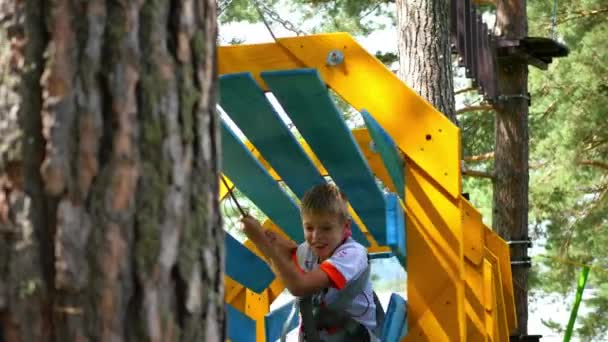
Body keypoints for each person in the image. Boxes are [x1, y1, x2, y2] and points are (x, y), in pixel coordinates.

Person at [241, 184, 380, 341]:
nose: (316, 236)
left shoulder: (352, 255)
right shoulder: (310, 251)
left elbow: (299, 286)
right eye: (309, 228)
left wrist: (261, 243)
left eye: (326, 228)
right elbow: (291, 256)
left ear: (345, 226)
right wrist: (271, 241)